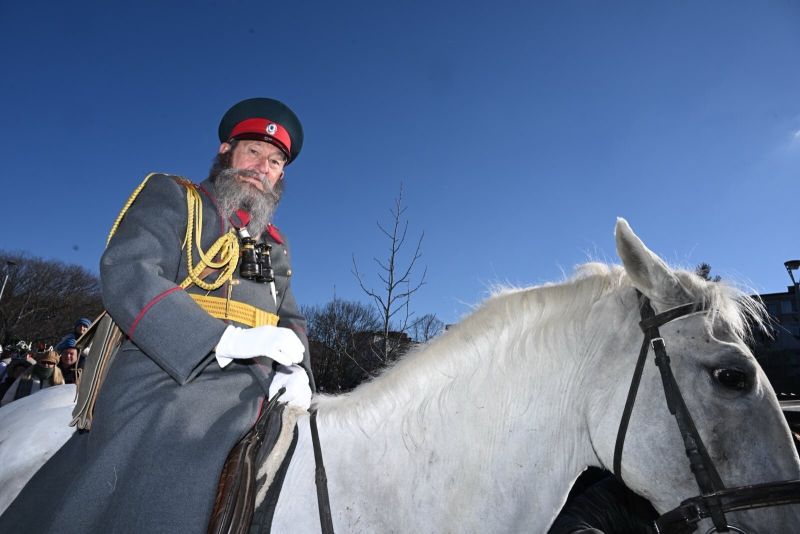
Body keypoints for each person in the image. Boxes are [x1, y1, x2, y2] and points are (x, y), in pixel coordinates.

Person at [0, 97, 314, 533]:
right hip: (166, 367)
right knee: (177, 428)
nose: (263, 167)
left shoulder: (276, 245)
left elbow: (291, 318)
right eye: (254, 152)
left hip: (260, 378)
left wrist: (298, 370)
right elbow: (129, 272)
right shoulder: (175, 197)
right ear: (226, 151)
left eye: (276, 161)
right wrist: (220, 340)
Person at [0, 350, 64, 406]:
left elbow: (62, 400)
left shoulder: (58, 381)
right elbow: (8, 397)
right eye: (43, 362)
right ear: (38, 362)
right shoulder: (26, 376)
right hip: (22, 414)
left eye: (50, 363)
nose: (46, 365)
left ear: (54, 365)